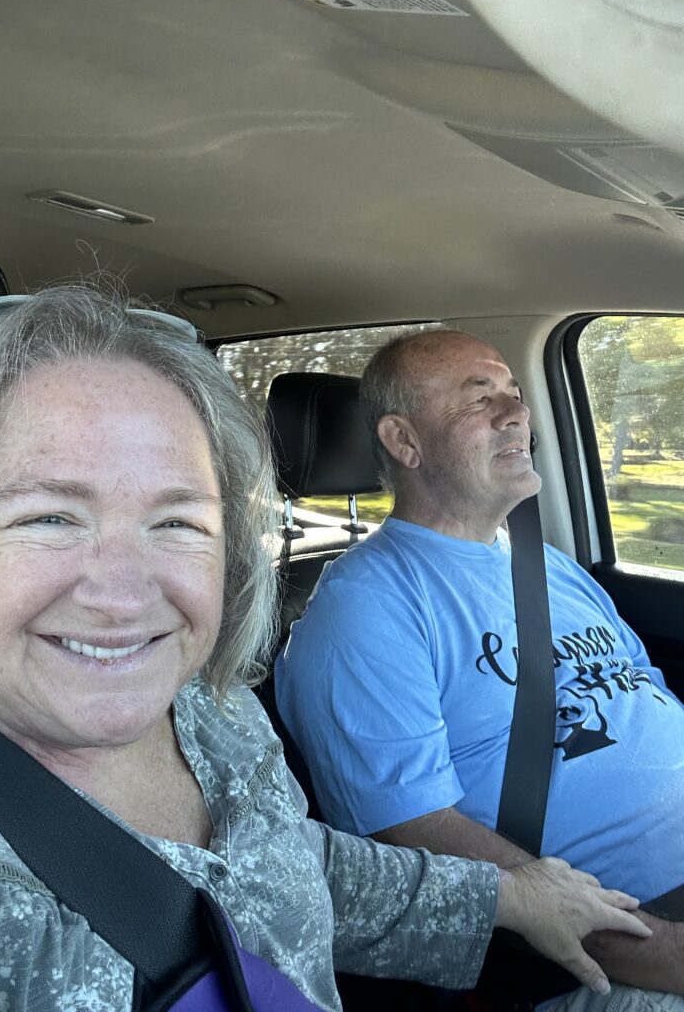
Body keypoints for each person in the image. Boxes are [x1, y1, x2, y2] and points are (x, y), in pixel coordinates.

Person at [0, 290, 649, 1011]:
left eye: (178, 522)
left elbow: (290, 862)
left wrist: (506, 896)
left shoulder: (214, 707)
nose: (124, 596)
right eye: (48, 516)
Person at [274, 327, 684, 1007]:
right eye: (478, 400)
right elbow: (416, 837)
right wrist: (662, 950)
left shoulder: (552, 568)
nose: (516, 413)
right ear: (405, 443)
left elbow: (646, 696)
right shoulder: (365, 608)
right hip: (610, 942)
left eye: (514, 394)